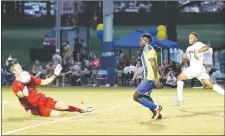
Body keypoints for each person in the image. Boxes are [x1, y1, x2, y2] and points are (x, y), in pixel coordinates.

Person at [9, 59, 93, 117]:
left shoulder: (29, 77)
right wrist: (24, 94)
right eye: (19, 68)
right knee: (58, 115)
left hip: (43, 99)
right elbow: (20, 95)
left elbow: (44, 82)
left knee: (64, 107)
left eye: (20, 67)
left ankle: (81, 110)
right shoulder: (15, 85)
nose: (21, 69)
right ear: (14, 71)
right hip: (37, 107)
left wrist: (55, 75)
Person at [173, 32, 224, 106]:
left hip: (196, 68)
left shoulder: (199, 44)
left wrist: (198, 51)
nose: (189, 39)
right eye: (189, 38)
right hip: (198, 69)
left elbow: (206, 47)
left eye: (191, 37)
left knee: (179, 78)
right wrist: (184, 59)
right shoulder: (188, 48)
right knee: (210, 85)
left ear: (196, 39)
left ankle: (180, 100)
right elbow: (185, 61)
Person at [133, 33, 162, 120]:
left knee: (136, 96)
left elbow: (153, 62)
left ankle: (156, 108)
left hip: (150, 77)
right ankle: (157, 113)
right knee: (145, 96)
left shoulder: (148, 48)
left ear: (146, 41)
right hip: (150, 76)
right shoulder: (147, 49)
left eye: (141, 40)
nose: (139, 42)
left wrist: (156, 77)